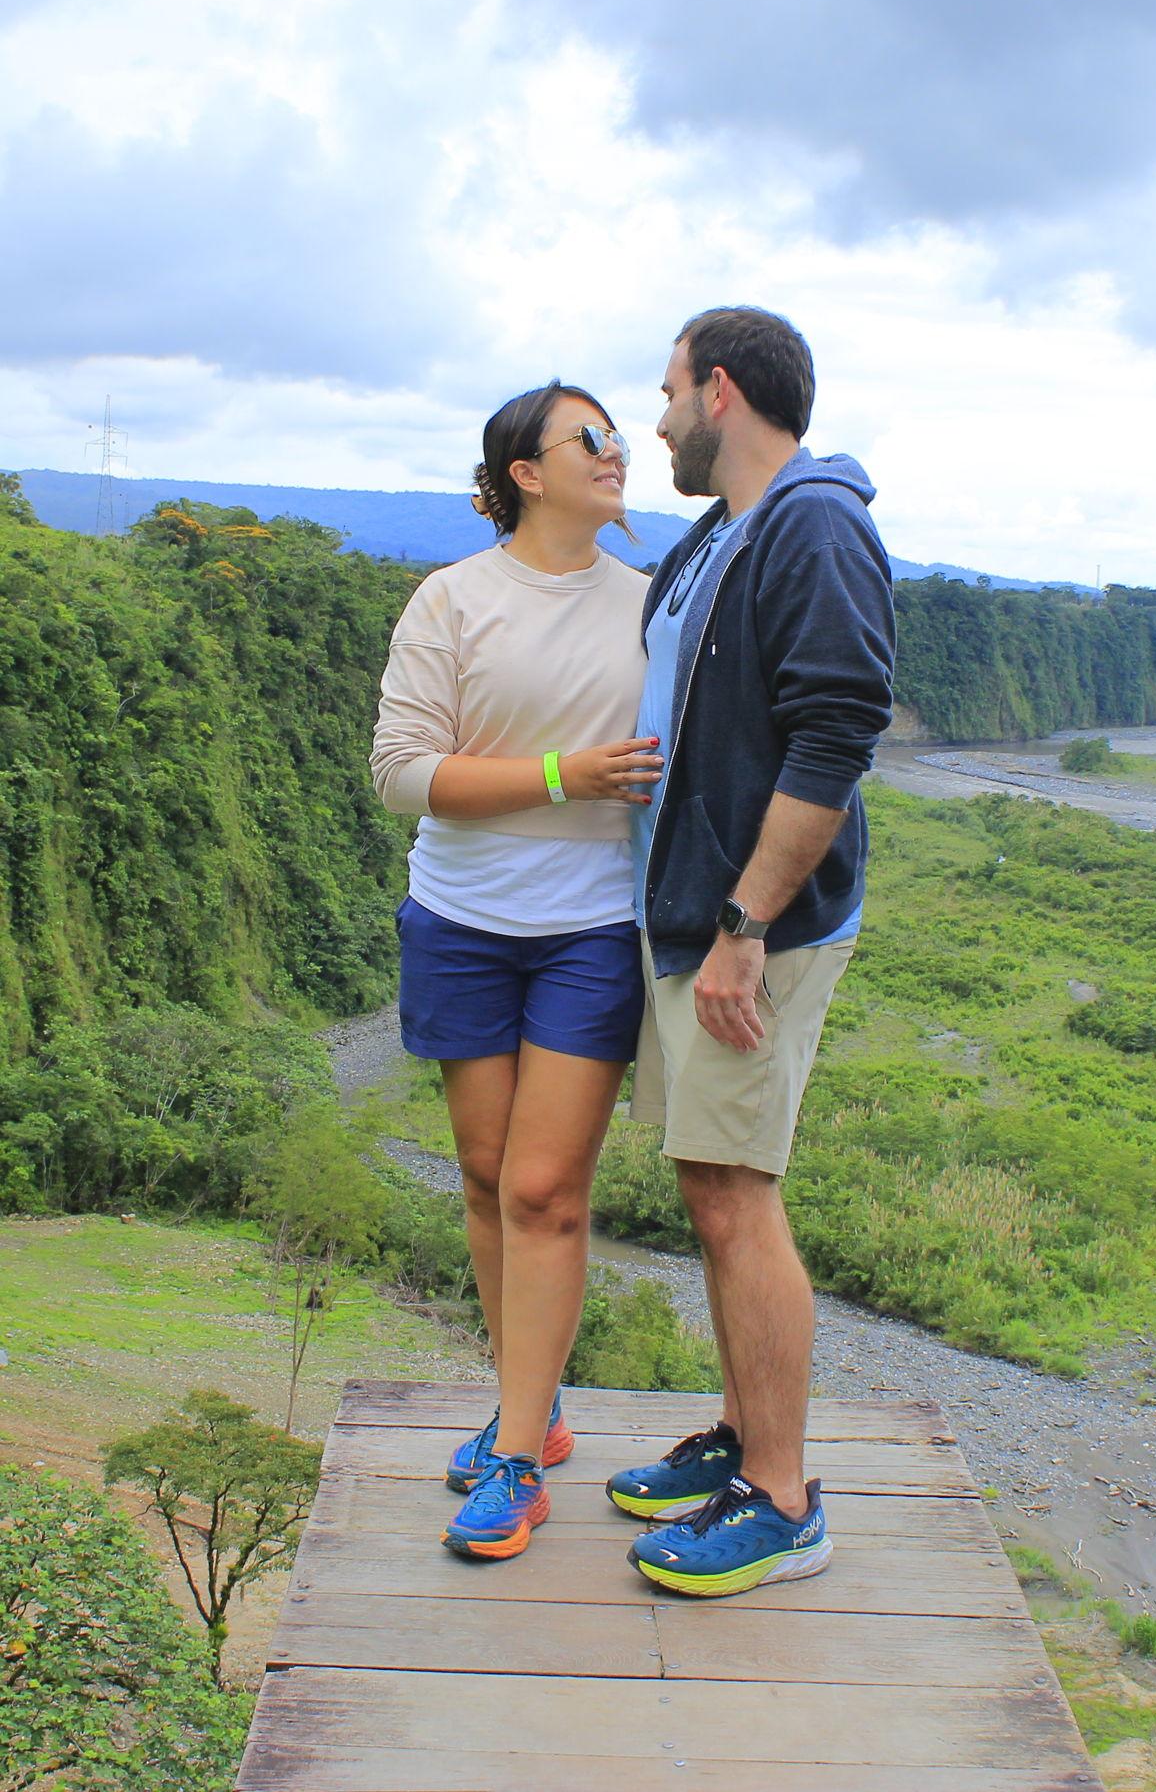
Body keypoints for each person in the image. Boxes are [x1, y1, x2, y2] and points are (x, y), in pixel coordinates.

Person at [604, 306, 895, 1599]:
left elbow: (835, 736)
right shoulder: (724, 532)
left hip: (746, 926)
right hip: (692, 910)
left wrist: (743, 925)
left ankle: (782, 1497)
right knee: (710, 1184)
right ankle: (743, 1431)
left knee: (737, 1189)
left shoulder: (815, 521)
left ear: (721, 390)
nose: (657, 417)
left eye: (668, 391)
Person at [369, 381, 659, 1561]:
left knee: (544, 1189)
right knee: (486, 1180)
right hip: (460, 918)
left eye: (619, 437)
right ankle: (528, 1415)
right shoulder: (452, 601)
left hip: (590, 927)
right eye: (587, 439)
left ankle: (513, 1455)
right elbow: (402, 770)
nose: (614, 453)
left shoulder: (652, 605)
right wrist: (560, 775)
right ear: (524, 473)